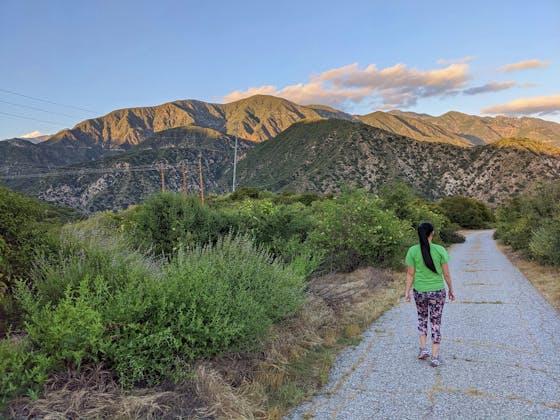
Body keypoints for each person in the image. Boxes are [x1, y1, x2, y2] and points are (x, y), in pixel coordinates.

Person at [405, 222, 455, 367]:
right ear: (432, 233)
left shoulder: (412, 251)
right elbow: (446, 273)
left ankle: (423, 350)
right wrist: (451, 289)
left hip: (420, 291)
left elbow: (410, 274)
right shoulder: (440, 250)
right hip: (437, 291)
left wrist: (407, 291)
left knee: (421, 318)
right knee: (436, 322)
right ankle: (434, 357)